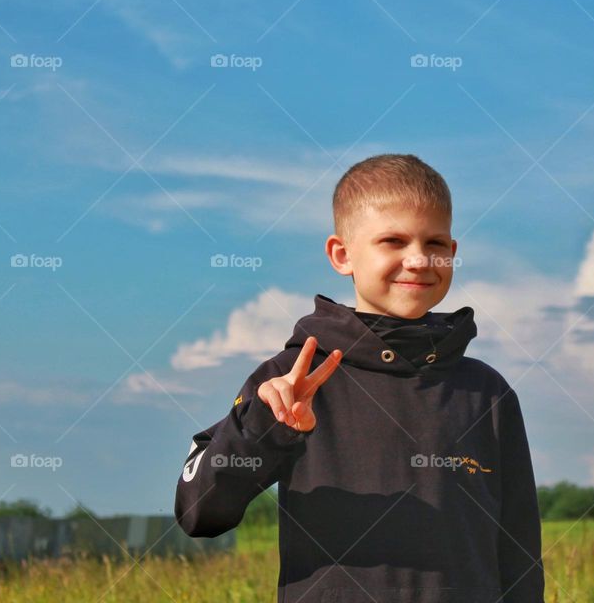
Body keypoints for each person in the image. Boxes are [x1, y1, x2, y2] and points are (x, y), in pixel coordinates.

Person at [175, 154, 545, 602]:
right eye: (393, 240)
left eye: (436, 243)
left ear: (453, 252)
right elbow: (199, 513)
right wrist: (264, 428)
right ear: (342, 255)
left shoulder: (486, 391)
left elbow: (519, 548)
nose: (418, 260)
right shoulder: (293, 380)